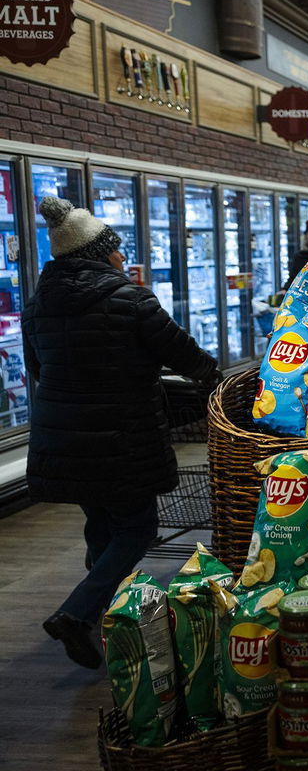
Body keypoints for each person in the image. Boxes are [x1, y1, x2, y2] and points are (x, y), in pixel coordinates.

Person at [25, 196, 221, 669]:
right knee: (136, 529)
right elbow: (184, 354)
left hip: (62, 439)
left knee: (102, 524)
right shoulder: (130, 299)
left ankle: (101, 612)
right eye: (116, 249)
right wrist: (216, 381)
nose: (122, 257)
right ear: (98, 254)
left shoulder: (36, 307)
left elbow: (36, 372)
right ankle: (76, 614)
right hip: (122, 437)